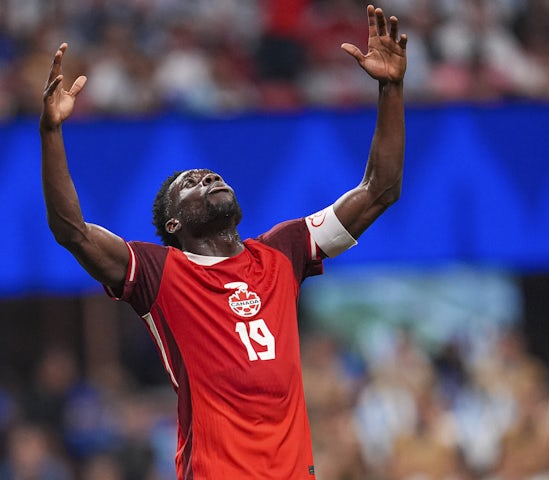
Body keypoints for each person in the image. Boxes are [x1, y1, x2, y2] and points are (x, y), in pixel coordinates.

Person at [39, 4, 407, 479]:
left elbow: (381, 190)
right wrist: (51, 132)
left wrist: (391, 88)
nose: (207, 176)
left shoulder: (282, 251)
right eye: (190, 182)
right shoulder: (158, 273)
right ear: (174, 225)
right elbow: (71, 230)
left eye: (208, 173)